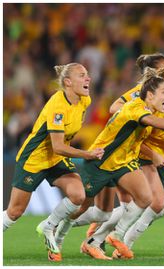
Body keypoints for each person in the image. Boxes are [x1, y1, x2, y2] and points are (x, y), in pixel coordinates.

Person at [56, 69, 164, 261]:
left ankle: (105, 238)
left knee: (135, 204)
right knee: (88, 207)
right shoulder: (140, 105)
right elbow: (127, 113)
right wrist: (163, 145)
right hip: (108, 159)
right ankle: (54, 227)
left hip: (129, 161)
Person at [53, 53, 164, 252]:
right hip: (104, 158)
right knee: (95, 210)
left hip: (124, 161)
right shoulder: (139, 99)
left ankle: (103, 239)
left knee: (128, 205)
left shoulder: (162, 100)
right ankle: (56, 228)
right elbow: (116, 108)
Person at [3, 63, 104, 262]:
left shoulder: (84, 101)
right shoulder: (57, 106)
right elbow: (58, 146)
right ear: (68, 82)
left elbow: (60, 148)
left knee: (78, 195)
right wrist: (88, 154)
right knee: (15, 212)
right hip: (35, 159)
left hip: (56, 159)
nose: (88, 78)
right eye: (82, 75)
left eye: (87, 75)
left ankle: (48, 226)